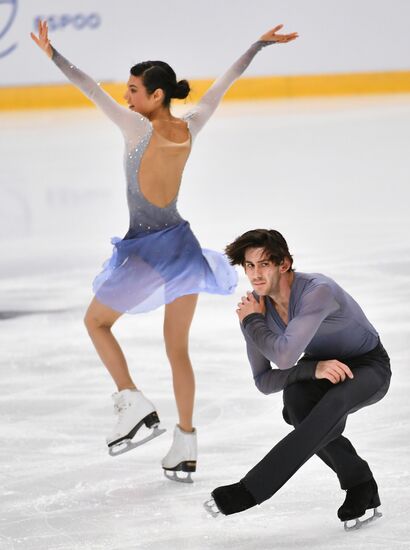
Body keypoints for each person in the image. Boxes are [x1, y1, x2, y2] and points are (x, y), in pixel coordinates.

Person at [30, 22, 299, 481]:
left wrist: (53, 55)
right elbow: (223, 84)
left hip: (149, 252)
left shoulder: (136, 127)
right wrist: (256, 45)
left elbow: (89, 88)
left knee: (96, 322)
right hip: (184, 249)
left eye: (134, 90)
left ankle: (132, 401)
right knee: (178, 351)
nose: (126, 96)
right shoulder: (191, 125)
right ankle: (186, 443)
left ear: (155, 95)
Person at [206, 229, 391, 528]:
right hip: (319, 366)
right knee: (295, 404)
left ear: (284, 264)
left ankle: (252, 489)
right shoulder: (255, 310)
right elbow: (264, 381)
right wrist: (311, 370)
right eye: (249, 266)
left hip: (369, 365)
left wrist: (253, 323)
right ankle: (360, 483)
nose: (255, 274)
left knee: (333, 404)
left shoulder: (317, 291)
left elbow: (284, 357)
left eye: (264, 264)